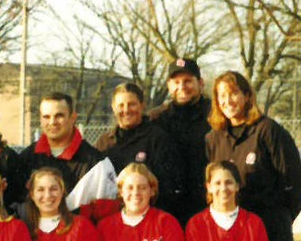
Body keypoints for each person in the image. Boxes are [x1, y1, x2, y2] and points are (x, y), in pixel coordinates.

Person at [206, 71, 301, 241]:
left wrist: (281, 217)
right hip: (232, 230)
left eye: (233, 93)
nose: (228, 101)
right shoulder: (214, 139)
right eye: (222, 95)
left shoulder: (268, 131)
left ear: (246, 96)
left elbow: (296, 181)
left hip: (270, 225)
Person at [21, 92, 118, 222]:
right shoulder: (26, 158)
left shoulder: (96, 163)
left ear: (73, 118)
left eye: (59, 115)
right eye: (46, 116)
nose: (52, 122)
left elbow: (107, 215)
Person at [95, 83, 183, 218]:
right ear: (113, 108)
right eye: (121, 105)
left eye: (132, 104)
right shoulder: (104, 143)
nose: (126, 110)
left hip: (149, 218)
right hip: (113, 220)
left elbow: (167, 188)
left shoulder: (158, 139)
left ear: (142, 105)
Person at [148, 58, 212, 226]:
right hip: (168, 208)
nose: (182, 87)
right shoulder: (156, 119)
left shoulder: (215, 116)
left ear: (200, 83)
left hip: (207, 205)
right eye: (176, 82)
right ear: (169, 86)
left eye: (187, 81)